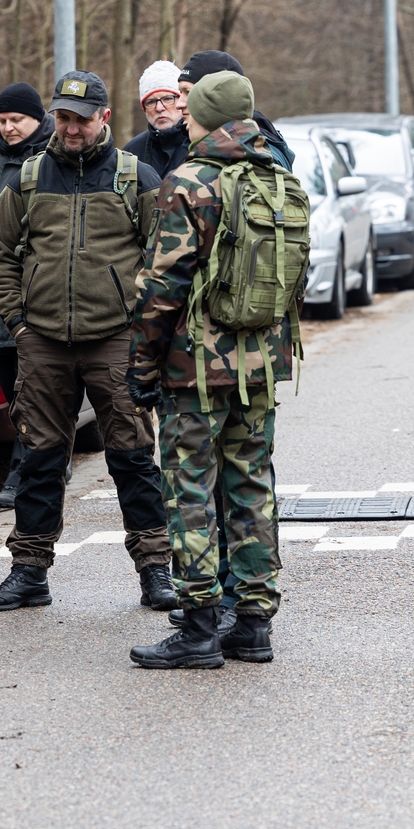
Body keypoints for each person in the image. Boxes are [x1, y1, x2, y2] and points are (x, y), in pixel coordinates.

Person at [0, 70, 174, 613]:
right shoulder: (31, 176)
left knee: (133, 458)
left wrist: (143, 329)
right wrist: (17, 321)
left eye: (80, 119)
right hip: (42, 340)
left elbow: (165, 255)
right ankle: (28, 571)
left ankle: (156, 571)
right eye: (62, 117)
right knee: (39, 460)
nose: (69, 128)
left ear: (104, 119)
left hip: (115, 340)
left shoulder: (136, 178)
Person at [125, 71, 298, 668]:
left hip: (194, 368)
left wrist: (141, 366)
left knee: (190, 489)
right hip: (262, 365)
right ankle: (253, 623)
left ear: (203, 115)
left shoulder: (191, 182)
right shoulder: (278, 178)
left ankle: (198, 625)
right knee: (252, 488)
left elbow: (162, 287)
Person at [0, 82, 56, 511]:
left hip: (39, 296)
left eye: (16, 120)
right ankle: (44, 456)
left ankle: (25, 470)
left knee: (34, 388)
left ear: (37, 119)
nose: (8, 128)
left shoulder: (52, 159)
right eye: (2, 121)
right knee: (11, 387)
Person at [177, 50, 295, 172]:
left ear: (220, 94)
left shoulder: (258, 156)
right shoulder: (192, 141)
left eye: (189, 93)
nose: (178, 104)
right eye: (180, 93)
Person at [123, 60, 189, 179]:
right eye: (151, 102)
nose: (159, 108)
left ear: (181, 101)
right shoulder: (131, 152)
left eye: (168, 99)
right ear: (144, 108)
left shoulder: (199, 144)